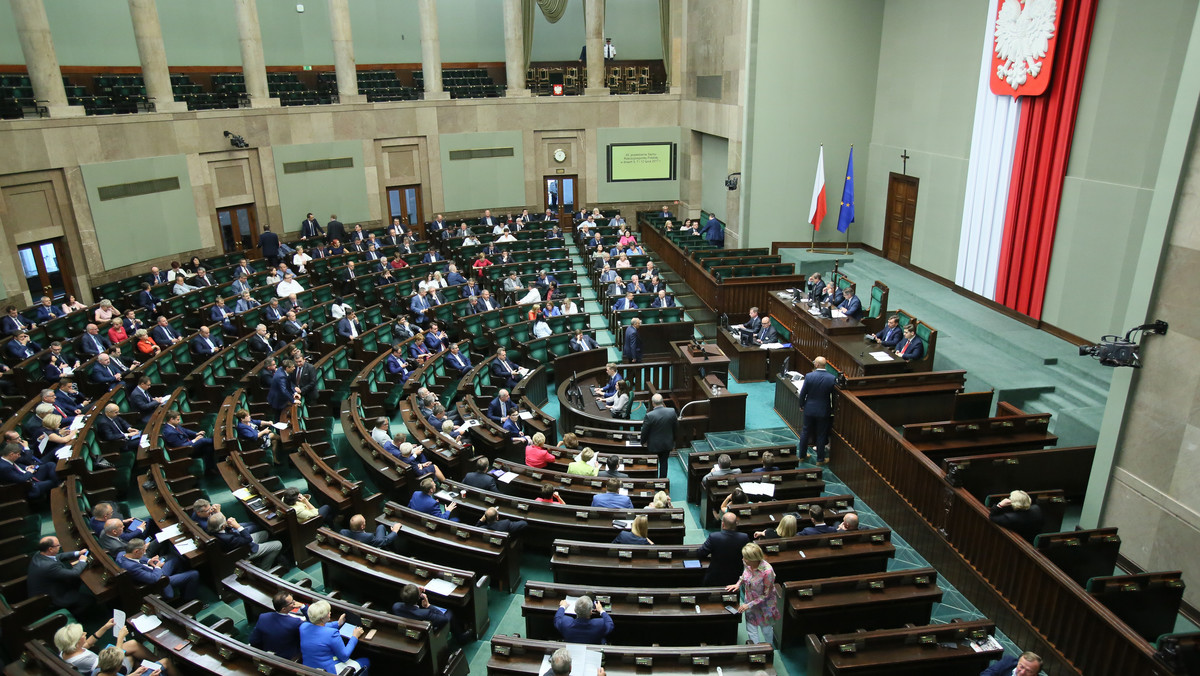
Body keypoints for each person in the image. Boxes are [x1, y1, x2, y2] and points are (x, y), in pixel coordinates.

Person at [725, 542, 779, 645]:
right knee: (751, 630)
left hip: (765, 605)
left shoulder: (767, 572)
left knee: (766, 630)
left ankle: (768, 651)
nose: (743, 559)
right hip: (749, 601)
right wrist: (738, 584)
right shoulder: (748, 564)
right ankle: (754, 651)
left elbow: (766, 595)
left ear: (753, 559)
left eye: (745, 558)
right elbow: (744, 575)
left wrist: (748, 605)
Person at [116, 538, 200, 601]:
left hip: (153, 571)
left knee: (175, 558)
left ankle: (183, 585)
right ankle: (189, 600)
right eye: (143, 550)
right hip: (158, 581)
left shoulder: (122, 554)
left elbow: (137, 559)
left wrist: (149, 560)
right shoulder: (132, 567)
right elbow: (153, 578)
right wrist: (157, 567)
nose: (145, 552)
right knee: (194, 574)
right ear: (136, 551)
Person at [300, 600, 369, 675]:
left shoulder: (303, 626)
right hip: (327, 671)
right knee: (366, 661)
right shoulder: (332, 633)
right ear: (321, 619)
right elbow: (344, 656)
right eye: (328, 613)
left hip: (308, 668)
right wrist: (355, 636)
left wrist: (338, 623)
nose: (330, 613)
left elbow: (318, 627)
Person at [28, 536, 92, 616]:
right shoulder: (49, 566)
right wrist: (82, 561)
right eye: (58, 545)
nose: (60, 546)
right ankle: (68, 617)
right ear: (50, 549)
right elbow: (73, 573)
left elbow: (58, 556)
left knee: (76, 581)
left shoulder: (39, 554)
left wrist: (78, 553)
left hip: (47, 588)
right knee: (89, 600)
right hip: (52, 598)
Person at [393, 583, 472, 644]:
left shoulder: (396, 606)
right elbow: (443, 619)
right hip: (428, 634)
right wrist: (428, 605)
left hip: (411, 628)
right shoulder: (425, 613)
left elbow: (410, 604)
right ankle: (461, 637)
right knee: (449, 613)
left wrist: (416, 593)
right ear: (418, 598)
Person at [797, 357, 836, 465]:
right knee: (821, 434)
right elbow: (834, 397)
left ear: (817, 365)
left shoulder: (809, 376)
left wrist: (801, 405)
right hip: (824, 410)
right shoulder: (832, 378)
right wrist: (833, 409)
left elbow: (803, 393)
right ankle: (820, 460)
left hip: (809, 409)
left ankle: (802, 456)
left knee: (805, 432)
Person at [208, 513, 284, 568]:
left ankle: (261, 557)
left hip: (241, 542)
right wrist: (238, 526)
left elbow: (226, 531)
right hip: (244, 551)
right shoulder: (228, 539)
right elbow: (248, 539)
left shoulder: (212, 530)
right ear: (222, 526)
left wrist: (228, 526)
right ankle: (264, 568)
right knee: (278, 544)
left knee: (265, 533)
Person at [694, 512, 750, 586]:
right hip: (734, 578)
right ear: (736, 524)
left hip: (715, 578)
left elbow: (701, 553)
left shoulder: (714, 537)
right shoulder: (744, 538)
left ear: (723, 524)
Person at [249, 592, 306, 660]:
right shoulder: (295, 623)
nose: (295, 603)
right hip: (289, 659)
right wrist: (303, 607)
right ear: (283, 609)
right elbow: (314, 622)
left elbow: (254, 641)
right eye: (292, 602)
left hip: (266, 655)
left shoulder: (263, 617)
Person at [162, 410, 218, 475]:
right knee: (202, 440)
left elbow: (185, 431)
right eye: (178, 419)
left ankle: (210, 468)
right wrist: (195, 440)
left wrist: (196, 434)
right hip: (185, 451)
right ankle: (219, 441)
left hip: (189, 444)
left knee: (208, 448)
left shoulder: (174, 425)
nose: (179, 421)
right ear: (171, 419)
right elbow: (180, 447)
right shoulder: (169, 433)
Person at [640, 393, 679, 478]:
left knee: (652, 463)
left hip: (654, 445)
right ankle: (662, 482)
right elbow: (676, 428)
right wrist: (673, 441)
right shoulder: (671, 411)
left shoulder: (649, 415)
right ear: (662, 401)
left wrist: (642, 442)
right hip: (667, 443)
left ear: (653, 403)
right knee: (664, 463)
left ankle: (653, 480)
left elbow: (645, 431)